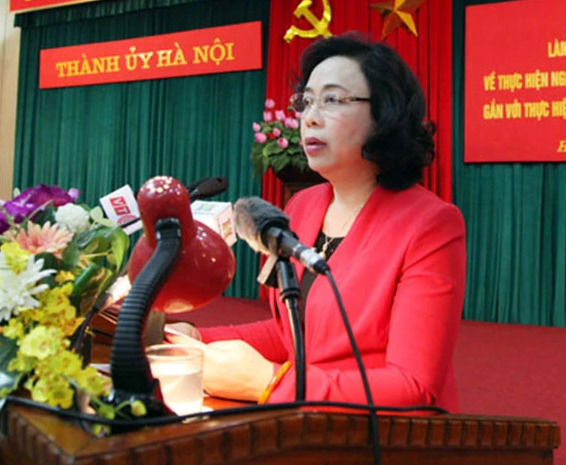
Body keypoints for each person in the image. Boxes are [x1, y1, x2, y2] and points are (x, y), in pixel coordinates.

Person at [168, 32, 466, 411]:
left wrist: (270, 382)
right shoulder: (304, 206)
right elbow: (294, 332)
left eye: (331, 100)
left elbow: (412, 386)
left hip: (386, 434)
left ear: (385, 114)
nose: (309, 117)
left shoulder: (430, 225)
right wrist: (198, 339)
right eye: (306, 102)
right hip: (302, 421)